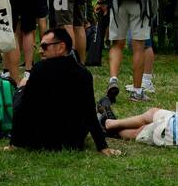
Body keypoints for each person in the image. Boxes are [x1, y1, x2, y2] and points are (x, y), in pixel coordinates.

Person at [9, 28, 118, 156]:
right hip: (73, 141)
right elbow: (89, 113)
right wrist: (102, 146)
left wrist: (14, 144)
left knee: (22, 88)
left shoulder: (39, 69)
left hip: (40, 140)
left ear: (61, 47)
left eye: (44, 46)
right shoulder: (84, 74)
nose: (40, 51)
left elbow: (25, 109)